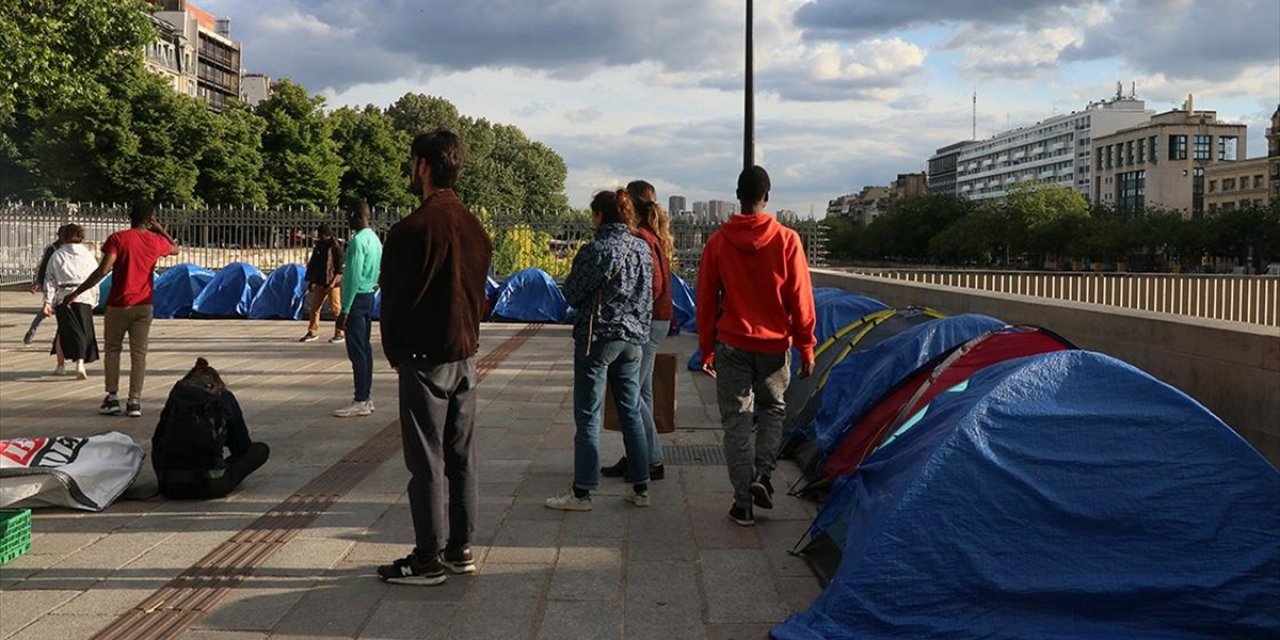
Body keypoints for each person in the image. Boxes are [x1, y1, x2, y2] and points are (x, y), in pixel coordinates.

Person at [376, 129, 492, 586]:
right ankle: (459, 547)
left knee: (426, 459)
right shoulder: (474, 226)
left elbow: (395, 300)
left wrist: (395, 352)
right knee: (462, 455)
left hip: (424, 358)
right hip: (464, 354)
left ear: (423, 165)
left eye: (411, 162)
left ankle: (427, 558)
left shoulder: (410, 230)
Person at [696, 165, 816, 527]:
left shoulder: (718, 243)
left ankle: (742, 503)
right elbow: (801, 299)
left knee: (736, 420)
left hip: (732, 342)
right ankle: (764, 475)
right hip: (775, 345)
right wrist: (806, 346)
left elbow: (704, 301)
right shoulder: (787, 240)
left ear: (738, 196)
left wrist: (706, 348)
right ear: (767, 196)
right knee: (773, 410)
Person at [545, 189, 653, 512]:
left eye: (593, 214)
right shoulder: (642, 249)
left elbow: (572, 293)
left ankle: (582, 492)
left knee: (588, 414)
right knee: (631, 411)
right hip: (634, 340)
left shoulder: (596, 250)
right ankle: (641, 486)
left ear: (600, 216)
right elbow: (651, 292)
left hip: (598, 338)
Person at [63, 200, 179, 418]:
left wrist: (76, 293)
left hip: (118, 304)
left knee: (113, 350)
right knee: (139, 354)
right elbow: (175, 249)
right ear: (150, 220)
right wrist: (161, 229)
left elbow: (102, 270)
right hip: (144, 304)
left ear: (130, 217)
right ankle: (134, 401)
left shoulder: (118, 238)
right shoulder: (155, 241)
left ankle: (112, 398)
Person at [601, 180, 674, 483]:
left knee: (629, 393)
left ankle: (651, 460)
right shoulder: (652, 235)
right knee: (641, 392)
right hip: (658, 319)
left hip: (648, 321)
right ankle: (638, 454)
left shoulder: (641, 237)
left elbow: (653, 285)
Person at [151, 358, 270, 499]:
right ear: (216, 383)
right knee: (260, 449)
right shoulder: (224, 398)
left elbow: (157, 442)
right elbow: (241, 447)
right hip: (210, 485)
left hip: (170, 486)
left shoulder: (176, 398)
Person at [333, 202, 382, 418]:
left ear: (355, 216)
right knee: (365, 348)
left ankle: (361, 398)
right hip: (369, 294)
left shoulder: (357, 242)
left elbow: (351, 277)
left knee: (357, 351)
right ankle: (367, 396)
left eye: (348, 216)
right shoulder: (375, 239)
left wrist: (344, 309)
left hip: (356, 298)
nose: (347, 220)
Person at [42, 224, 100, 379]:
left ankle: (61, 365)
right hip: (84, 295)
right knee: (82, 329)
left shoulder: (57, 255)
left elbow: (50, 279)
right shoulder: (88, 255)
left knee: (64, 329)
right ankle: (80, 362)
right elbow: (95, 276)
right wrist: (94, 298)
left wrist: (47, 301)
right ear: (81, 236)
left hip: (63, 295)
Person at [299, 222, 346, 344]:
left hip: (333, 283)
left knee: (336, 309)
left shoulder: (336, 247)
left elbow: (339, 269)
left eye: (320, 234)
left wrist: (332, 283)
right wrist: (310, 281)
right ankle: (312, 331)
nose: (318, 236)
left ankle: (340, 332)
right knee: (315, 308)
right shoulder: (319, 246)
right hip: (320, 281)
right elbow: (313, 264)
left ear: (326, 234)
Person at [24, 227, 66, 346]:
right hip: (52, 282)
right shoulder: (51, 249)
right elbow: (43, 266)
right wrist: (37, 282)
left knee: (62, 310)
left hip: (65, 282)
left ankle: (60, 338)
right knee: (47, 310)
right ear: (59, 235)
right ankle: (32, 330)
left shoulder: (67, 248)